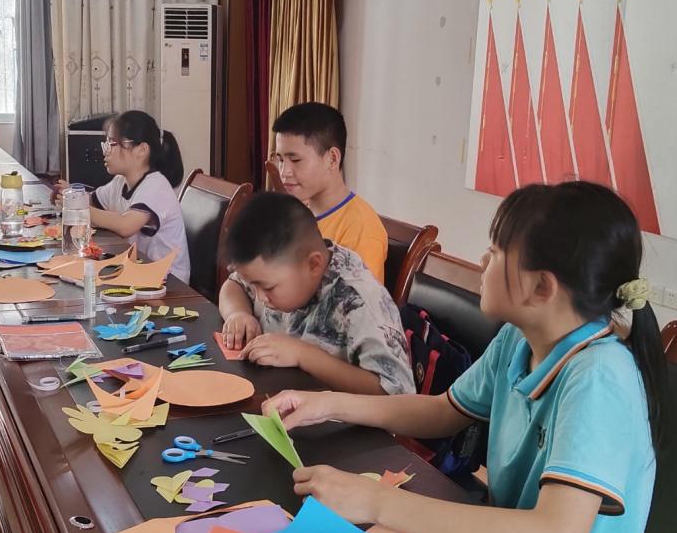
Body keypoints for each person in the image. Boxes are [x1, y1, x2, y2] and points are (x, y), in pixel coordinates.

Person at [264, 182, 665, 533]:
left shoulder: (598, 377)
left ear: (542, 287)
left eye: (496, 251)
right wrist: (329, 404)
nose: (483, 260)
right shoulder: (518, 339)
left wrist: (376, 502)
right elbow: (443, 411)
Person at [218, 191, 414, 395]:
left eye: (268, 288)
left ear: (313, 264)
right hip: (276, 393)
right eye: (254, 286)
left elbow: (396, 396)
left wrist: (302, 355)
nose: (260, 297)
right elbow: (234, 285)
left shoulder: (360, 303)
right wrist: (238, 313)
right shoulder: (273, 269)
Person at [55, 110, 190, 284]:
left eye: (112, 143)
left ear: (141, 150)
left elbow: (125, 225)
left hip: (169, 281)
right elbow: (92, 201)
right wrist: (71, 194)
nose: (106, 151)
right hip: (139, 271)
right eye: (106, 144)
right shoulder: (120, 182)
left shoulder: (156, 186)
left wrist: (78, 208)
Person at [271, 102, 388, 283]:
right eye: (280, 160)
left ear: (332, 159)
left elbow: (352, 299)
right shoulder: (295, 213)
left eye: (295, 160)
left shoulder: (360, 230)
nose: (284, 172)